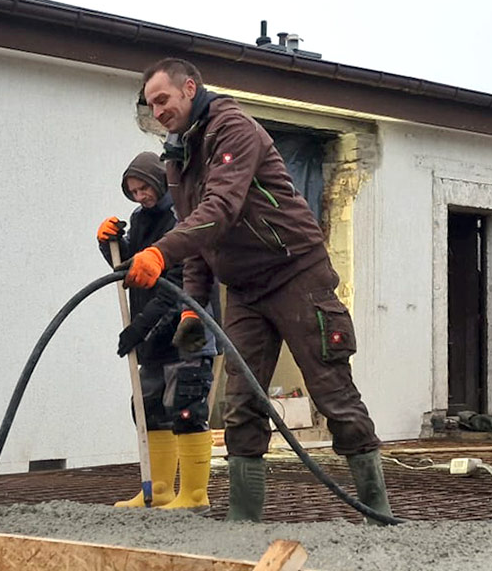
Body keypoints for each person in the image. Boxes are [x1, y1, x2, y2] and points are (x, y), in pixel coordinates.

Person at [124, 58, 392, 523]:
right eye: (151, 105)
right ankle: (243, 522)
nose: (158, 111)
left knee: (332, 391)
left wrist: (160, 253)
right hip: (244, 288)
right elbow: (198, 233)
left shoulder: (234, 129)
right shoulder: (177, 157)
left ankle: (378, 513)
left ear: (190, 88)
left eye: (163, 99)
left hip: (295, 272)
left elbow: (220, 209)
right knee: (242, 401)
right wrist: (193, 307)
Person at [97, 152, 215, 509]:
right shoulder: (139, 218)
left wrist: (140, 327)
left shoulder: (181, 218)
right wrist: (110, 245)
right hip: (150, 330)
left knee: (186, 405)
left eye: (144, 188)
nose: (140, 196)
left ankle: (194, 495)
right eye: (132, 191)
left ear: (160, 181)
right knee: (149, 409)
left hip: (186, 328)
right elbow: (133, 273)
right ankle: (159, 490)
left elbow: (179, 283)